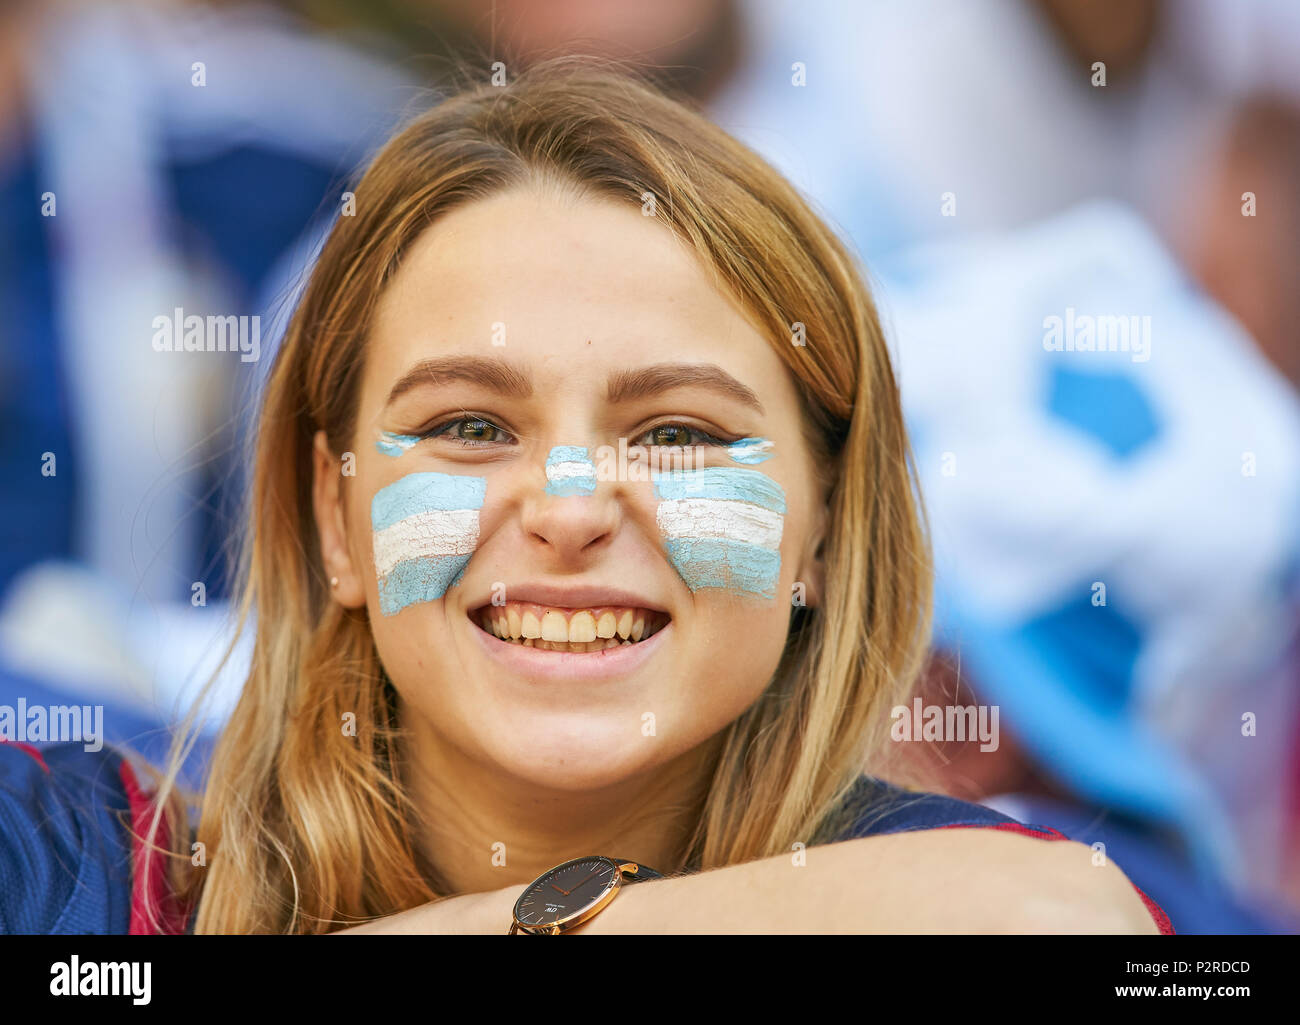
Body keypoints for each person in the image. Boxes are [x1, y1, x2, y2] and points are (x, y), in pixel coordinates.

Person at [0, 59, 1170, 935]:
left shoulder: (972, 881)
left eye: (675, 431)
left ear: (821, 527)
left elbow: (1060, 919)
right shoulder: (69, 866)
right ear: (332, 517)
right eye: (468, 425)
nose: (568, 508)